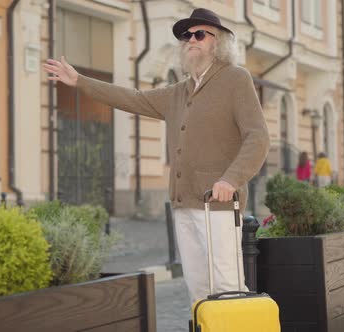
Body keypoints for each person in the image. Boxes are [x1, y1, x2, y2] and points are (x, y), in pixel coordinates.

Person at [42, 8, 270, 305]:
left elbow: (258, 137)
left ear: (219, 42)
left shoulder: (235, 80)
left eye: (200, 34)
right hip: (183, 204)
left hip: (220, 205)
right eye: (187, 36)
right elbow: (133, 98)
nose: (191, 40)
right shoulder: (179, 91)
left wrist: (231, 179)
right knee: (198, 288)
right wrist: (81, 81)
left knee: (228, 285)